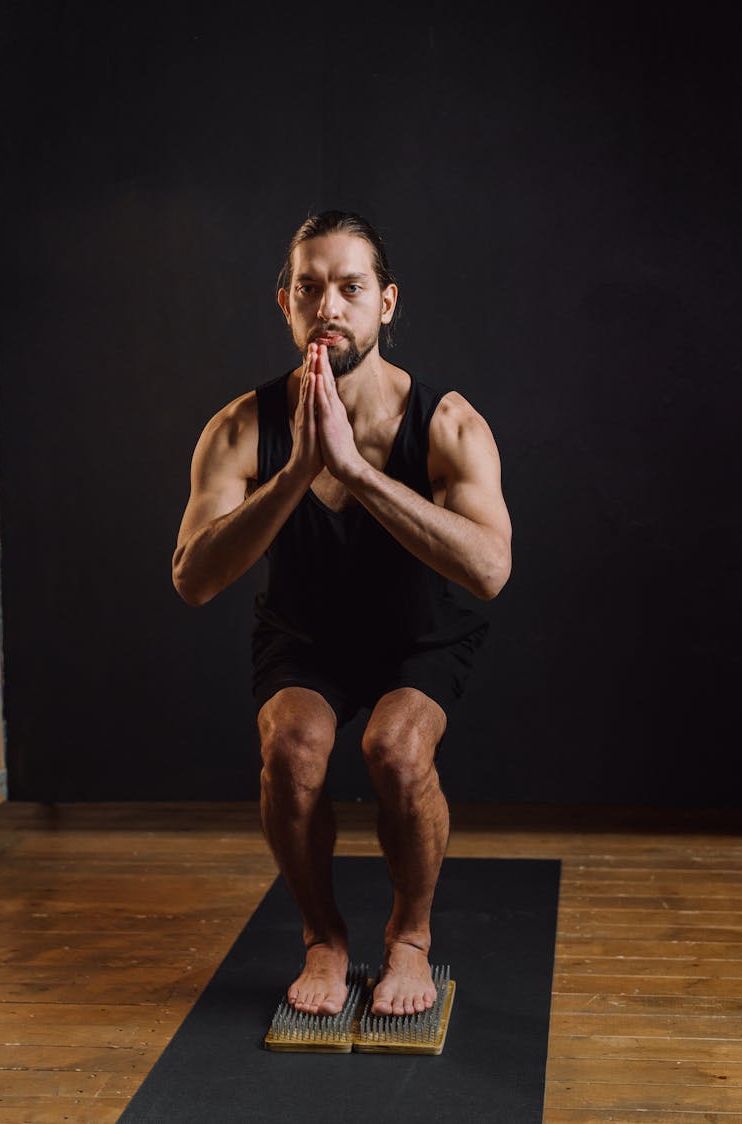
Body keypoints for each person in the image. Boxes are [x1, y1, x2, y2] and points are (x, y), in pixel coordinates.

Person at [171, 210, 512, 1019]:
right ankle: (323, 936)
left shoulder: (449, 424)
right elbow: (192, 579)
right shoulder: (240, 427)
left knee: (394, 749)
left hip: (417, 634)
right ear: (284, 304)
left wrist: (356, 471)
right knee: (292, 752)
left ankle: (411, 936)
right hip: (305, 634)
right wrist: (297, 472)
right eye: (309, 287)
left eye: (350, 287)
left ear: (385, 304)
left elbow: (491, 570)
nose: (329, 305)